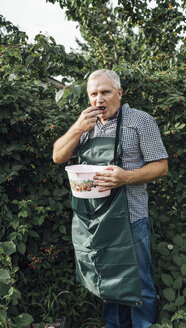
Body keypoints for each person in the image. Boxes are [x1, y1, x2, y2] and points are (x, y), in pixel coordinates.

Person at [53, 69, 168, 328]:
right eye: (93, 94)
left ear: (119, 93)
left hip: (131, 216)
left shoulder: (140, 121)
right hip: (95, 218)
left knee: (138, 280)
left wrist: (125, 177)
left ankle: (143, 325)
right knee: (107, 277)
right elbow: (58, 157)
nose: (99, 99)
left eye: (105, 92)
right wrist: (76, 129)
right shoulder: (85, 125)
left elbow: (161, 167)